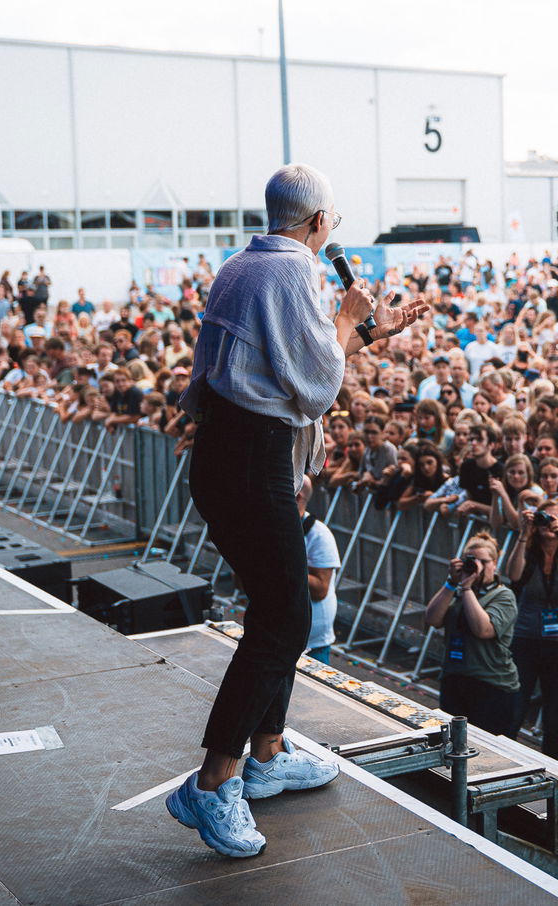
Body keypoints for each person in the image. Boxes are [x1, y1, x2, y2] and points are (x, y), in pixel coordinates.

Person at [166, 164, 427, 859]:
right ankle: (215, 780)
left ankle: (269, 753)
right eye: (333, 221)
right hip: (251, 462)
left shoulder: (241, 267)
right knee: (286, 615)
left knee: (276, 608)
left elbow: (292, 360)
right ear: (317, 224)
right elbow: (314, 385)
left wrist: (367, 335)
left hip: (229, 456)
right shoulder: (292, 274)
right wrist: (347, 318)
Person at [504, 502, 558, 758]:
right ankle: (503, 758)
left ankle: (553, 766)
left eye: (553, 520)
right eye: (544, 519)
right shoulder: (528, 552)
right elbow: (513, 574)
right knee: (516, 707)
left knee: (555, 714)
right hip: (525, 639)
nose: (547, 525)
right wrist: (523, 533)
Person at [423, 533, 520, 734]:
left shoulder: (503, 595)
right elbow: (432, 619)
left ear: (495, 563)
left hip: (492, 684)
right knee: (452, 749)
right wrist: (452, 582)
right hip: (455, 679)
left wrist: (466, 588)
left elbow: (483, 629)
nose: (478, 567)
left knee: (489, 756)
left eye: (484, 562)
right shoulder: (456, 591)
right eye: (472, 561)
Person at [298, 476, 339, 664]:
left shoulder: (318, 534)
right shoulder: (268, 527)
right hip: (276, 633)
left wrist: (283, 563)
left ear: (298, 497)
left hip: (313, 644)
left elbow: (320, 590)